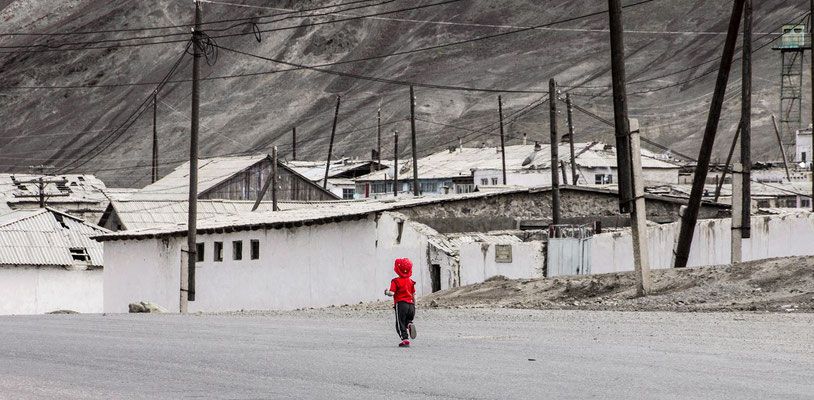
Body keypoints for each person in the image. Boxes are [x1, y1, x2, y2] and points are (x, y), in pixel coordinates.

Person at [384, 258, 417, 347]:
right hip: (411, 305)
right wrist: (414, 305)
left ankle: (405, 339)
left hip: (401, 304)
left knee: (400, 322)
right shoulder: (411, 282)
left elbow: (392, 293)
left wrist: (386, 292)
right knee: (407, 320)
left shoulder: (396, 281)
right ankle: (409, 325)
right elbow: (414, 294)